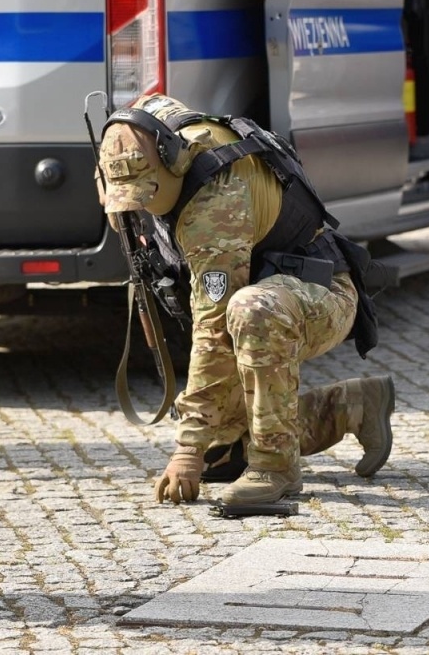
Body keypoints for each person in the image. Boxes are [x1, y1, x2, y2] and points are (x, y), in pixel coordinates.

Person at [96, 94, 394, 507]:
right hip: (256, 303)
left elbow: (215, 327)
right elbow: (128, 132)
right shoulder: (148, 134)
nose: (140, 204)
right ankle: (352, 406)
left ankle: (275, 467)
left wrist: (188, 449)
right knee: (228, 443)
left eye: (145, 193)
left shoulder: (214, 198)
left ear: (173, 163)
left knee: (250, 310)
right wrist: (119, 199)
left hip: (318, 294)